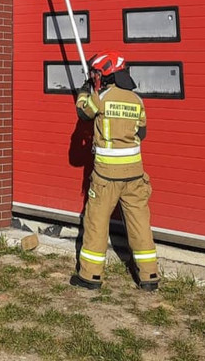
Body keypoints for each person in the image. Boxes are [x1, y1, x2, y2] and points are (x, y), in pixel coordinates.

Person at [71, 51, 160, 292]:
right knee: (139, 223)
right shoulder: (137, 100)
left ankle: (90, 275)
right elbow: (141, 133)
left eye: (96, 74)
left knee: (96, 222)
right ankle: (149, 276)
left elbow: (83, 112)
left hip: (106, 177)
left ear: (105, 74)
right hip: (135, 175)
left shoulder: (101, 97)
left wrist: (84, 91)